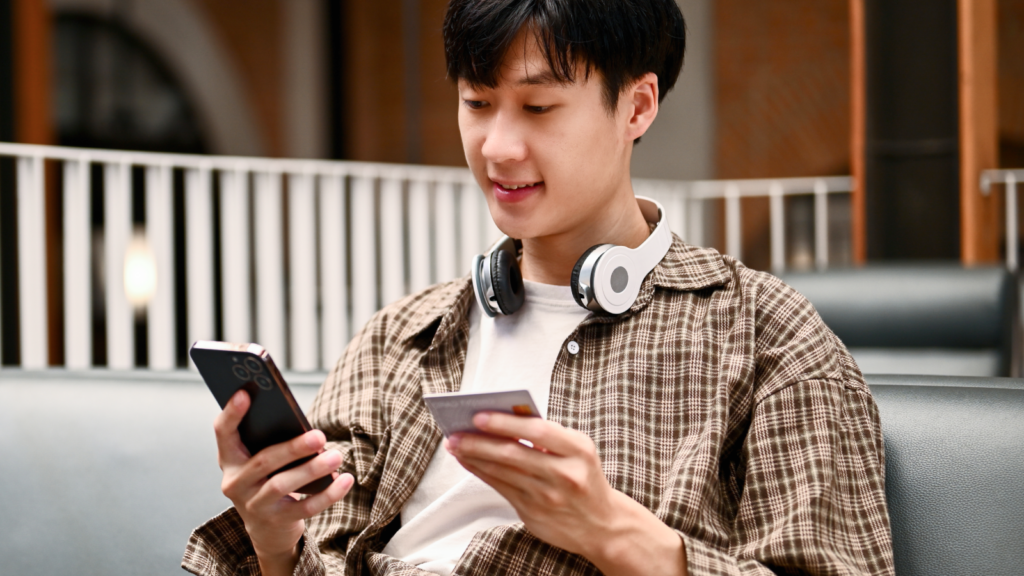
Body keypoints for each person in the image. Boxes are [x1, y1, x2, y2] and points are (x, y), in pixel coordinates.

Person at [183, 1, 895, 574]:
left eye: (539, 108)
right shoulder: (400, 339)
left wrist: (618, 537)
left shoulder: (766, 337)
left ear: (637, 107)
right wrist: (274, 545)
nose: (497, 147)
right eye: (477, 102)